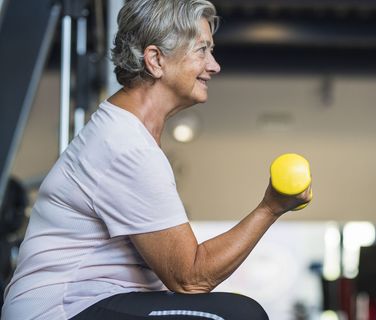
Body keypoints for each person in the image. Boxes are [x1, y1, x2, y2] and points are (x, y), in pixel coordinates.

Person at [1, 0, 311, 319]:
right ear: (156, 60)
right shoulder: (124, 145)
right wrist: (270, 208)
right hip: (58, 310)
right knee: (238, 315)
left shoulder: (128, 134)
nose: (214, 66)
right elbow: (190, 277)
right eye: (202, 50)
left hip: (98, 300)